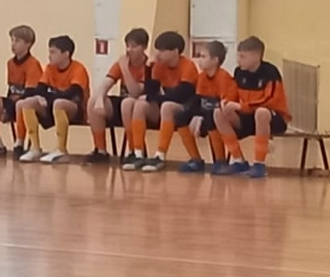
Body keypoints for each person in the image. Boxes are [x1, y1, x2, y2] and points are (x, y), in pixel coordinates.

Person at [142, 40, 237, 173]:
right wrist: (195, 115)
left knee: (211, 117)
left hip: (220, 116)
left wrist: (201, 117)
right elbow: (197, 100)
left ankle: (220, 160)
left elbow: (223, 104)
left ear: (215, 60)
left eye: (203, 56)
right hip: (204, 112)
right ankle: (196, 159)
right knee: (181, 117)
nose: (199, 60)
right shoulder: (202, 77)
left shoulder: (224, 78)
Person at [212, 36, 291, 178]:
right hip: (248, 116)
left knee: (261, 112)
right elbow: (232, 93)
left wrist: (242, 106)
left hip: (273, 117)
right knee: (218, 113)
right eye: (238, 56)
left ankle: (259, 164)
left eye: (243, 57)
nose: (238, 61)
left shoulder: (270, 72)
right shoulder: (239, 72)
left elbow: (269, 100)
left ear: (256, 57)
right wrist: (227, 102)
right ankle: (238, 160)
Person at [126, 31, 198, 171]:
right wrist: (148, 68)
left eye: (162, 51)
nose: (158, 54)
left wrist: (153, 98)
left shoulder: (188, 67)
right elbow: (150, 92)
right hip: (165, 104)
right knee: (140, 105)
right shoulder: (159, 65)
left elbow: (180, 96)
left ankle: (160, 154)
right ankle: (138, 153)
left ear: (175, 51)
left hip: (185, 108)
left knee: (167, 106)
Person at [16, 35, 91, 164]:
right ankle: (35, 148)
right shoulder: (50, 68)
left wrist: (47, 98)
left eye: (53, 52)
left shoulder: (78, 69)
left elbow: (72, 94)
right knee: (28, 102)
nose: (49, 56)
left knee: (59, 103)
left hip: (77, 110)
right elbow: (40, 90)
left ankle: (61, 150)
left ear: (66, 54)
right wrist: (38, 97)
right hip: (53, 106)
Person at [0, 25, 43, 159]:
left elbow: (30, 93)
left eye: (17, 41)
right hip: (12, 102)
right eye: (12, 40)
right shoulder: (10, 63)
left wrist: (9, 109)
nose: (13, 44)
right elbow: (11, 89)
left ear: (28, 44)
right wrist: (4, 109)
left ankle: (19, 144)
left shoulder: (33, 64)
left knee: (21, 105)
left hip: (27, 104)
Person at [85, 28, 150, 164]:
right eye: (127, 46)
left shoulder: (148, 66)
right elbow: (106, 83)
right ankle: (100, 150)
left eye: (134, 46)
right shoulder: (120, 64)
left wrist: (125, 69)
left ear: (144, 47)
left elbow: (135, 92)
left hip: (139, 107)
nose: (129, 50)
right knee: (93, 102)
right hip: (122, 104)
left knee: (128, 102)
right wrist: (99, 99)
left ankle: (134, 150)